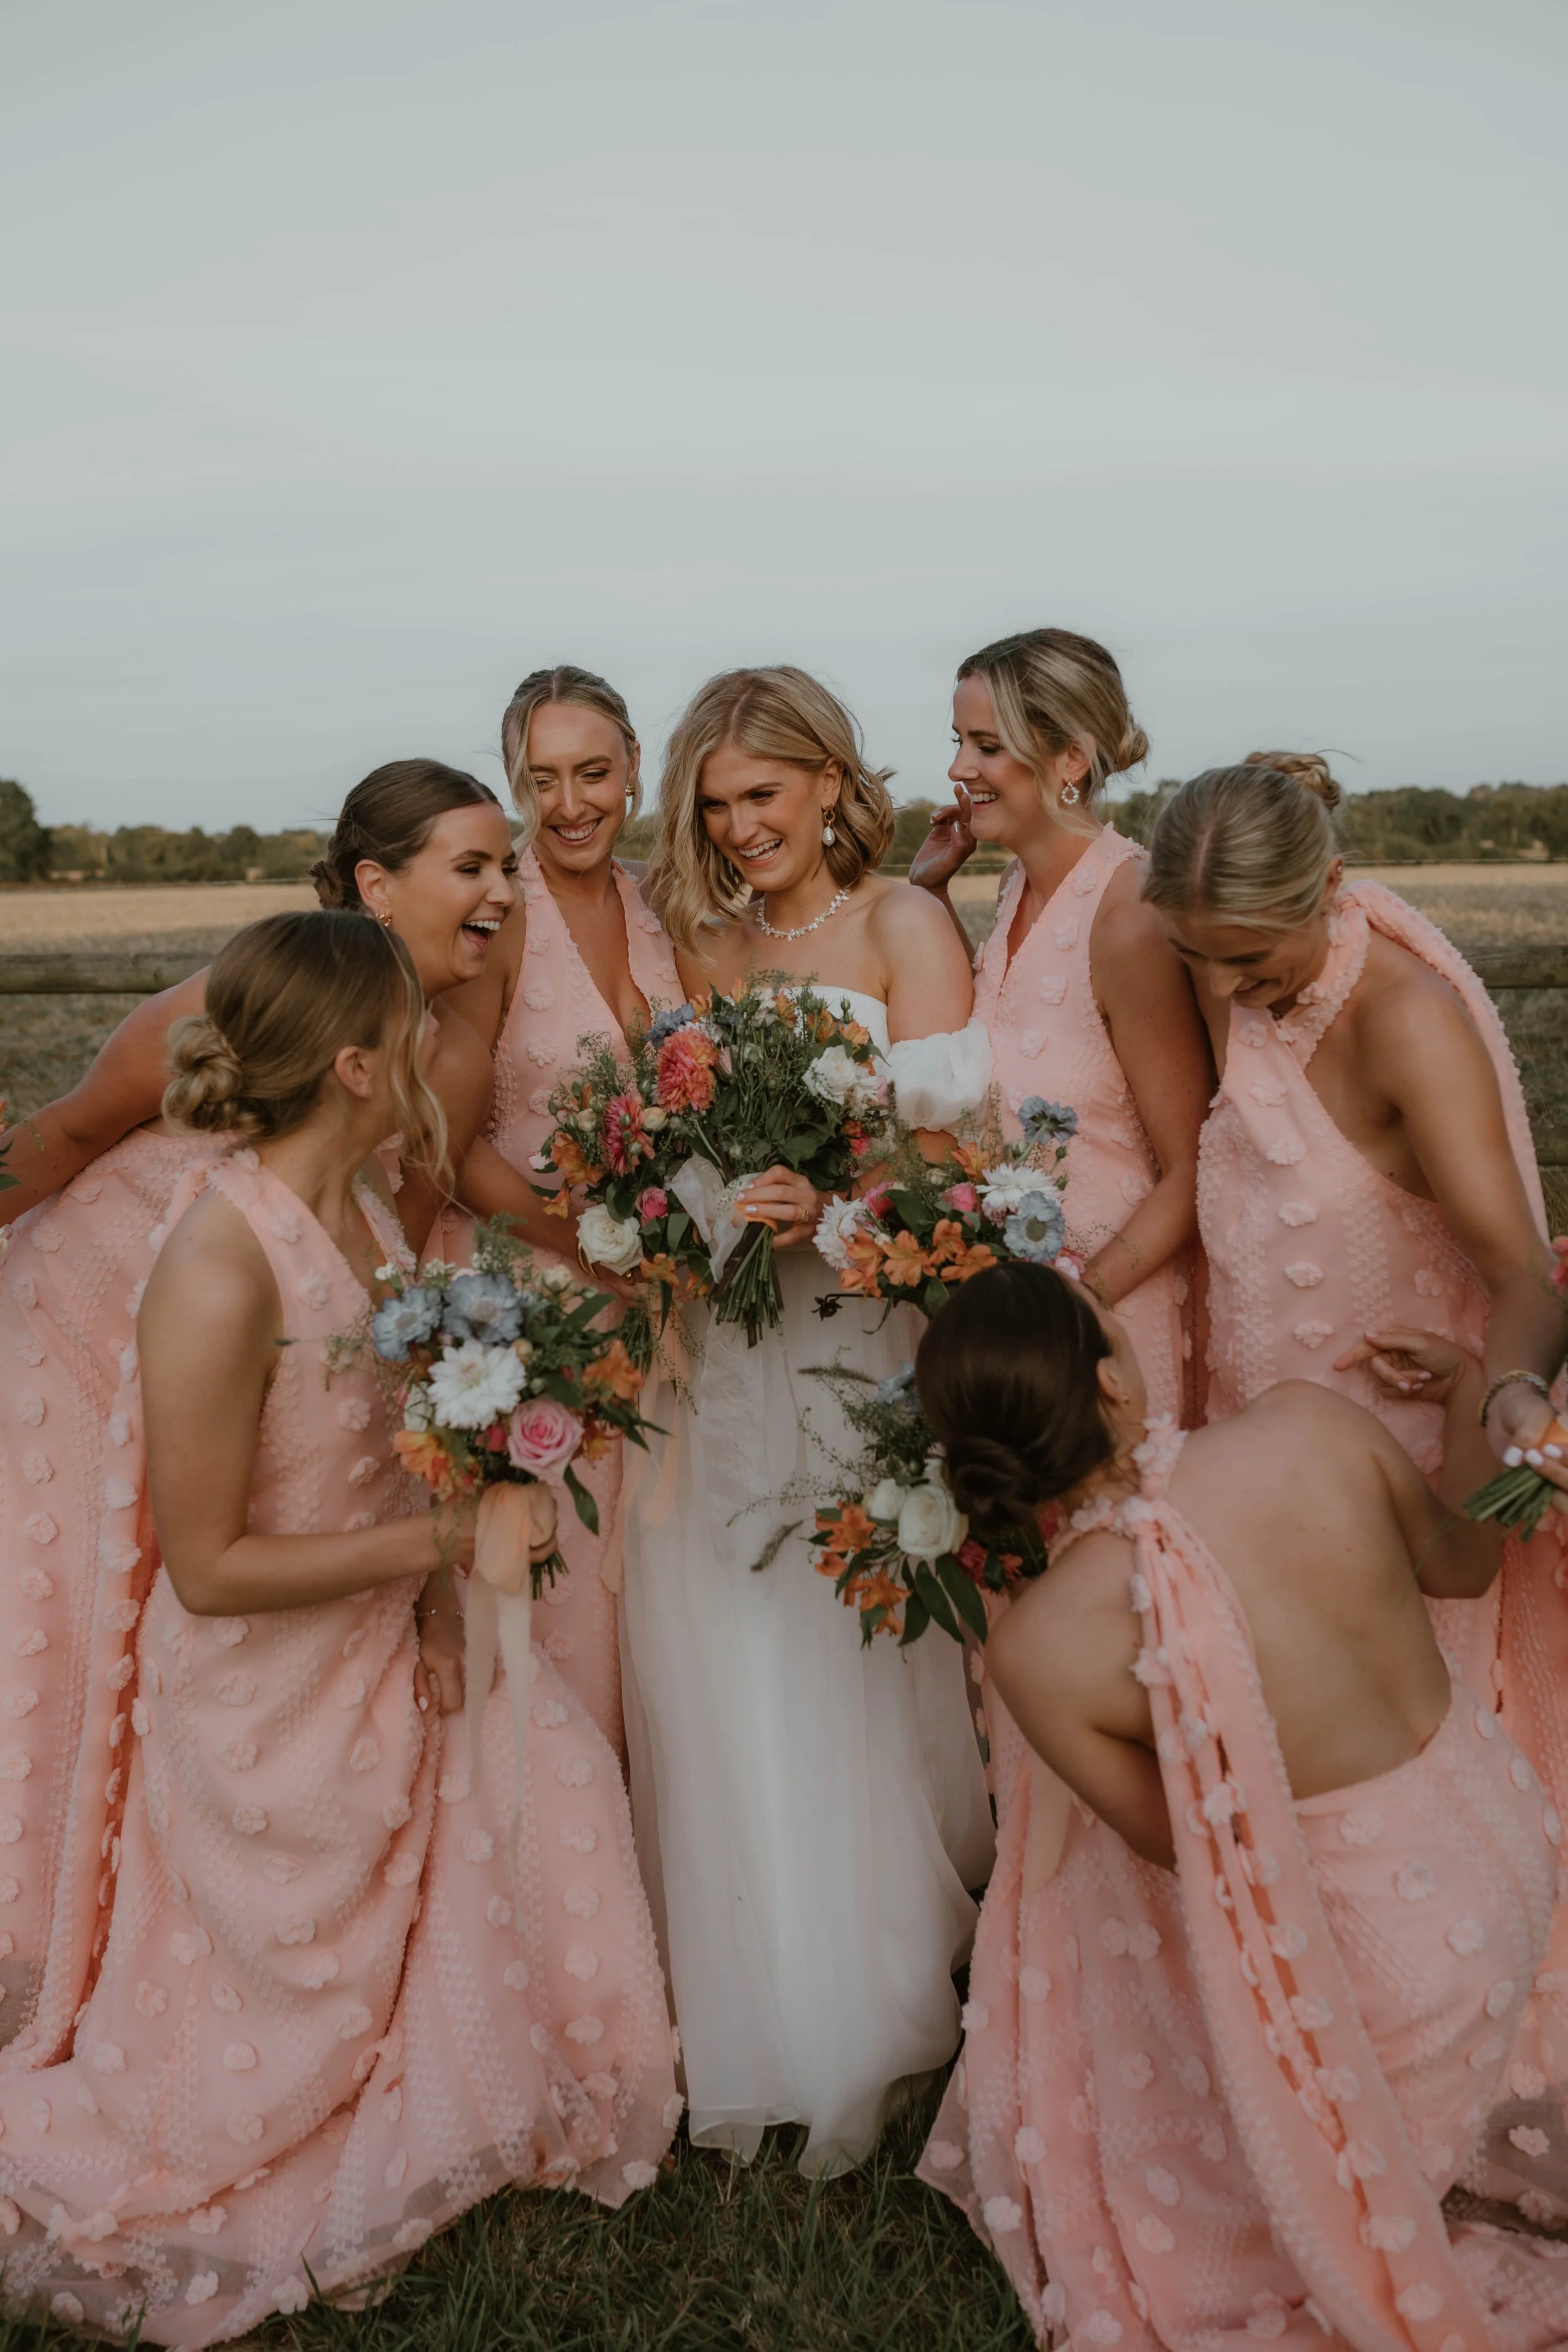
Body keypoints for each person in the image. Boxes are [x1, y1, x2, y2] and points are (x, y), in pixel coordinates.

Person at [0, 913, 676, 2345]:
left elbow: (396, 1441)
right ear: (363, 1063)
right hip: (261, 1684)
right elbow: (206, 1567)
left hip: (377, 1630)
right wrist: (446, 1539)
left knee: (541, 1750)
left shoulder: (364, 1213)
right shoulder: (216, 1267)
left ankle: (501, 2064)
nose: (449, 1050)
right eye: (418, 1030)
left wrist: (441, 1589)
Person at [915, 1264, 1568, 2351]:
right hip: (1513, 1857)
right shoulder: (1310, 1425)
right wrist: (1464, 1387)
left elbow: (1194, 1851)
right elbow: (1463, 1566)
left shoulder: (1037, 1647)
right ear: (1115, 1385)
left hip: (1384, 1971)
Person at [0, 763, 521, 2055]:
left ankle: (145, 1922)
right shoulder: (229, 993)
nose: (502, 894)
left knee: (170, 1620)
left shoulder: (452, 1035)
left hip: (266, 1356)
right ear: (374, 884)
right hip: (86, 1324)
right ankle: (41, 1919)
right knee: (65, 1623)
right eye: (473, 868)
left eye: (506, 868)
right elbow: (65, 1136)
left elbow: (393, 1242)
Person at [621, 665, 996, 2175]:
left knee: (844, 1644)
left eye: (761, 796)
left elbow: (961, 1169)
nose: (739, 828)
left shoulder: (908, 924)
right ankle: (741, 1999)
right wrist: (694, 1195)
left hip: (854, 1329)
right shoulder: (701, 939)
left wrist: (830, 1205)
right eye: (713, 807)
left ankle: (870, 1993)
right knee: (716, 1635)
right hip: (720, 1336)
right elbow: (678, 1137)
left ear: (833, 784)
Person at [431, 669, 685, 1758]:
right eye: (544, 781)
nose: (572, 804)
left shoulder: (658, 902)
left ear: (635, 770)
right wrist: (583, 1239)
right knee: (564, 1595)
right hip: (534, 1305)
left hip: (665, 1310)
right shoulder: (499, 915)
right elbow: (447, 1146)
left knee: (656, 1603)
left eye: (594, 774)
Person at [909, 629, 1210, 1427]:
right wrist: (927, 896)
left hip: (1105, 1330)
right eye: (958, 742)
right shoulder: (1013, 890)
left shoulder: (1128, 913)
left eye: (986, 745)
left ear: (1069, 760)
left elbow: (1191, 1168)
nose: (957, 769)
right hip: (1017, 1325)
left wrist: (1078, 1302)